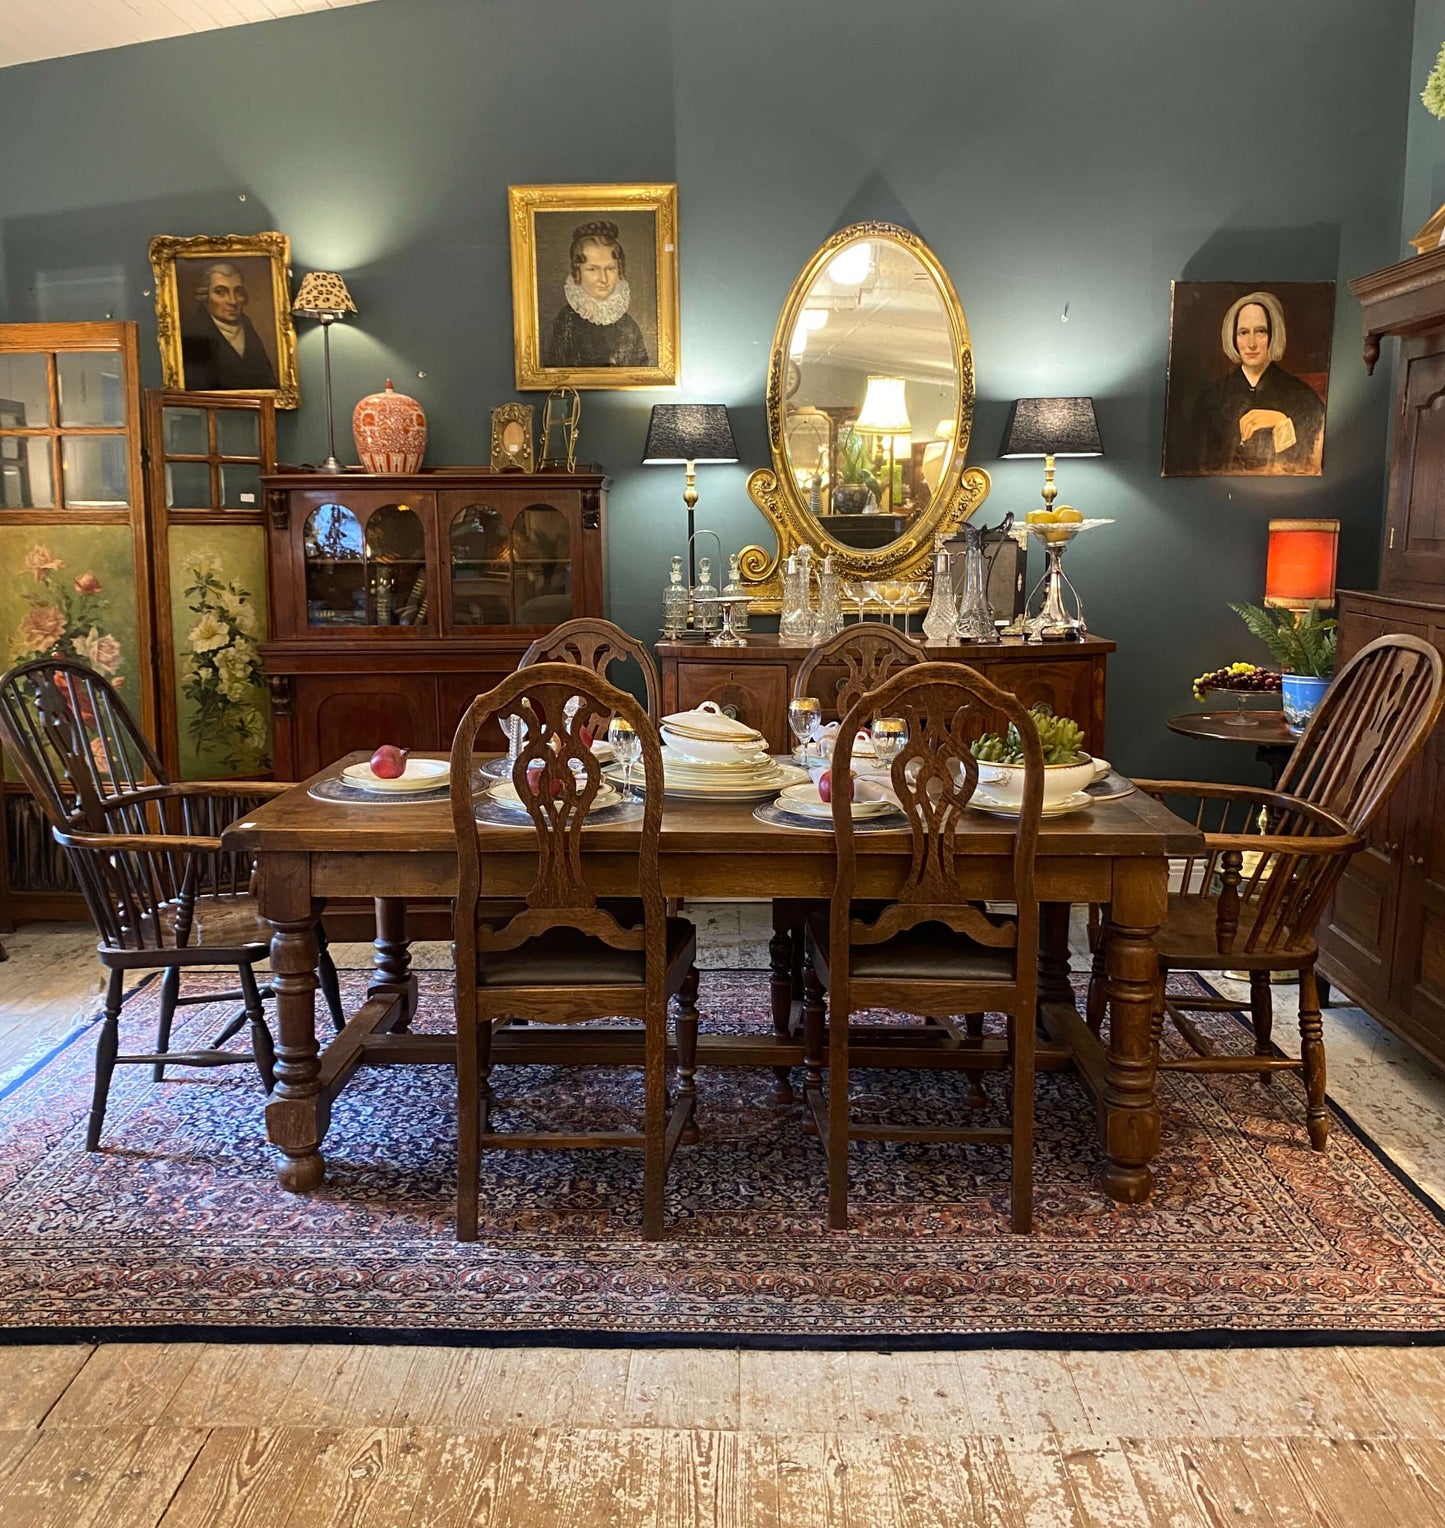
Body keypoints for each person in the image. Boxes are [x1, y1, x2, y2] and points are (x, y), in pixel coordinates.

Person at [1195, 290, 1325, 474]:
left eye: (1260, 331)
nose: (1251, 343)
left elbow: (1311, 466)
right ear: (1233, 337)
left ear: (1274, 335)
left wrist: (1282, 425)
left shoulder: (1303, 397)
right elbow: (1202, 466)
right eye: (1243, 332)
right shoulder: (1212, 399)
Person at [544, 221, 649, 368]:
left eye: (610, 269)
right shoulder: (564, 324)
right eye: (592, 269)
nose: (603, 279)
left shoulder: (629, 326)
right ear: (577, 273)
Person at [180, 261, 279, 391]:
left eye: (238, 292)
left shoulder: (247, 326)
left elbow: (267, 381)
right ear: (205, 296)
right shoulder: (195, 334)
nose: (232, 301)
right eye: (221, 292)